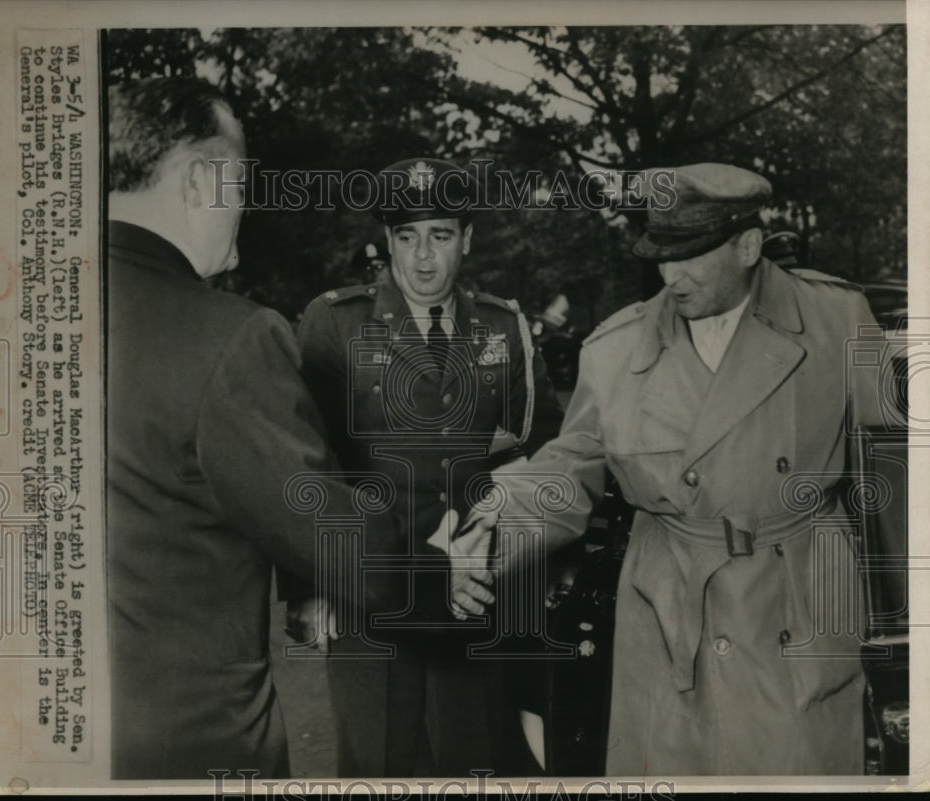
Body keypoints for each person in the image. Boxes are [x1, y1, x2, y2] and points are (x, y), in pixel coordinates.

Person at [460, 163, 886, 774]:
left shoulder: (835, 321)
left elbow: (896, 474)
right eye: (660, 256)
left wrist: (903, 623)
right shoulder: (615, 350)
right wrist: (496, 524)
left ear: (747, 245)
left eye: (690, 257)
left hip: (797, 607)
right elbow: (571, 466)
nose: (670, 276)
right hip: (665, 613)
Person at [105, 79, 456, 780]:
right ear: (204, 177)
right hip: (190, 750)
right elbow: (364, 558)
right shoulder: (228, 338)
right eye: (240, 183)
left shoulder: (11, 309)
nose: (243, 208)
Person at [293, 157, 564, 776]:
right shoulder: (335, 322)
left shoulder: (504, 326)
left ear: (466, 238)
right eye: (407, 237)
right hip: (369, 590)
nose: (422, 257)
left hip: (476, 590)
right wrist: (309, 587)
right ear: (388, 239)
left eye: (440, 235)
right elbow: (306, 459)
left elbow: (544, 451)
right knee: (378, 761)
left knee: (476, 760)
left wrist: (503, 539)